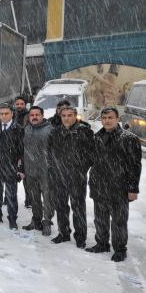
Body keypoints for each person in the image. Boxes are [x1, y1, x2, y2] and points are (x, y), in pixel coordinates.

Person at [86, 107, 141, 262]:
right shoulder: (98, 137)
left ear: (117, 119)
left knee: (118, 221)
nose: (107, 121)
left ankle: (120, 249)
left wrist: (132, 188)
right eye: (104, 118)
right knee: (100, 219)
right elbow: (91, 160)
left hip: (119, 188)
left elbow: (135, 166)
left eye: (110, 117)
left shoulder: (128, 138)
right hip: (100, 186)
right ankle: (102, 243)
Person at [47, 106, 94, 248]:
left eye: (69, 115)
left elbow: (91, 154)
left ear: (75, 116)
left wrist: (80, 169)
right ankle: (63, 232)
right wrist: (54, 169)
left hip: (76, 177)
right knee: (60, 206)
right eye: (64, 116)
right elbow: (49, 153)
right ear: (60, 117)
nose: (66, 118)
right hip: (58, 176)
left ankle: (80, 237)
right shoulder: (55, 132)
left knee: (78, 207)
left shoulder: (84, 132)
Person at [0, 104, 24, 229]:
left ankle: (12, 219)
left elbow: (22, 151)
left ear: (12, 114)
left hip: (11, 167)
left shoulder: (18, 129)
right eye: (1, 114)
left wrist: (21, 169)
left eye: (6, 113)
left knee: (11, 195)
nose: (4, 116)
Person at [22, 106, 54, 235]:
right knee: (34, 198)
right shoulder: (27, 129)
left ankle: (47, 222)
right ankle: (36, 220)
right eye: (32, 115)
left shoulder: (50, 130)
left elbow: (55, 151)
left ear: (42, 115)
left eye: (37, 115)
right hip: (30, 170)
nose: (34, 117)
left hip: (46, 171)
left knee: (47, 198)